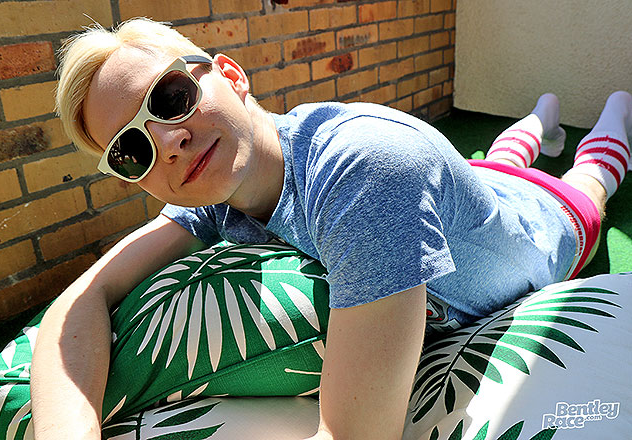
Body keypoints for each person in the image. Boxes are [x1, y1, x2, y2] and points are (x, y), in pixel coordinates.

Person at [31, 18, 631, 440]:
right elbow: (80, 300)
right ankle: (543, 116)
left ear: (232, 75)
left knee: (589, 181)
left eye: (170, 97)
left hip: (545, 222)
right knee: (496, 161)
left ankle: (615, 109)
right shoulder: (214, 197)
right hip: (470, 188)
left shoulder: (366, 171)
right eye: (131, 150)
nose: (168, 141)